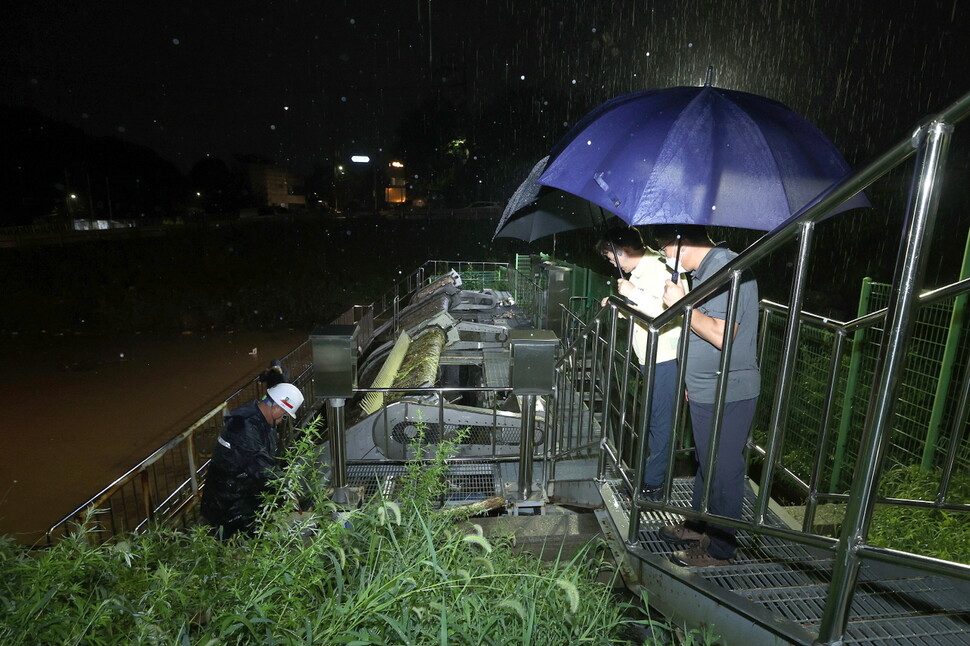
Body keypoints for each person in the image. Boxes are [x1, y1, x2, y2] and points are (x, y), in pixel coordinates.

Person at [652, 224, 761, 567]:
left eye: (663, 250)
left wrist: (682, 304)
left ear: (680, 244)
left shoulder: (729, 270)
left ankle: (721, 550)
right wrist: (690, 381)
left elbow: (721, 335)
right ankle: (701, 525)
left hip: (728, 389)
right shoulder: (707, 271)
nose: (664, 256)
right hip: (705, 387)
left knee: (723, 468)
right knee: (706, 462)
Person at [595, 226, 686, 501]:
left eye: (611, 257)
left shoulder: (660, 269)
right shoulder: (643, 272)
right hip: (652, 357)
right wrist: (619, 304)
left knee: (660, 423)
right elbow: (645, 311)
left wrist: (632, 292)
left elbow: (667, 313)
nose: (611, 263)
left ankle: (653, 486)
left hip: (666, 357)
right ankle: (648, 473)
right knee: (651, 420)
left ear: (624, 251)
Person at [201, 382, 305, 539]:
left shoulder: (258, 420)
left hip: (240, 498)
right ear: (276, 408)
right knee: (236, 549)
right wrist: (288, 489)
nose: (283, 420)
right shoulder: (243, 427)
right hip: (228, 505)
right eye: (284, 416)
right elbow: (263, 469)